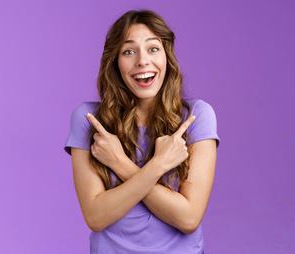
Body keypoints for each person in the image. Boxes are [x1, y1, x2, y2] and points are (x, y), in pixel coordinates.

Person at [64, 9, 220, 253]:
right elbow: (95, 217)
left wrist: (119, 163)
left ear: (167, 56)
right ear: (115, 61)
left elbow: (189, 219)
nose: (142, 61)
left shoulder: (197, 116)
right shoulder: (90, 120)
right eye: (128, 51)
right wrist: (159, 165)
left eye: (153, 48)